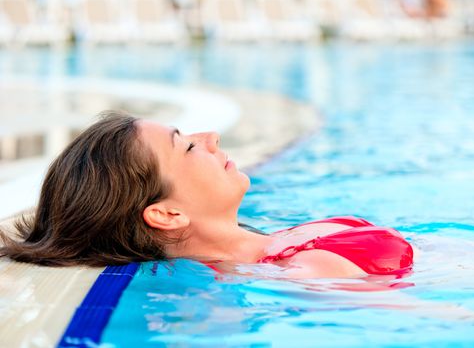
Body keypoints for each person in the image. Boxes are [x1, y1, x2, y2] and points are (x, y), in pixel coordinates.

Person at [0, 111, 413, 279]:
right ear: (167, 214)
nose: (212, 138)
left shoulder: (277, 244)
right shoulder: (308, 271)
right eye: (189, 147)